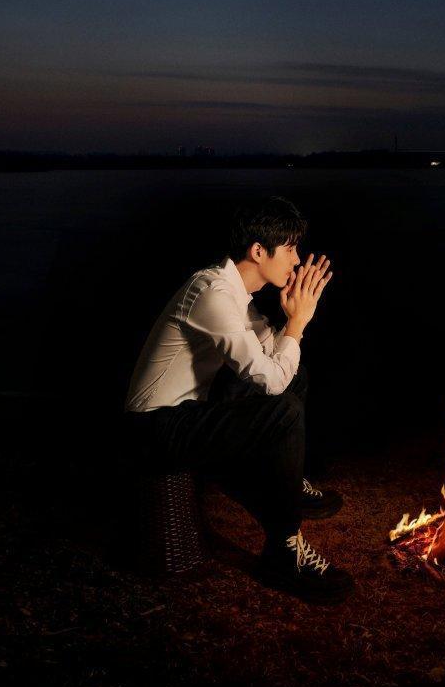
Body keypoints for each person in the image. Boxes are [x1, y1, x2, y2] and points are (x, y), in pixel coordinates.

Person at [122, 196, 353, 603]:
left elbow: (276, 357)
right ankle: (283, 552)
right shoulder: (212, 293)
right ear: (258, 251)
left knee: (290, 368)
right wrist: (298, 322)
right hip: (153, 429)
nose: (297, 260)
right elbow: (269, 382)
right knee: (282, 404)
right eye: (290, 248)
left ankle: (288, 485)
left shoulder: (235, 296)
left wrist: (292, 321)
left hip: (186, 414)